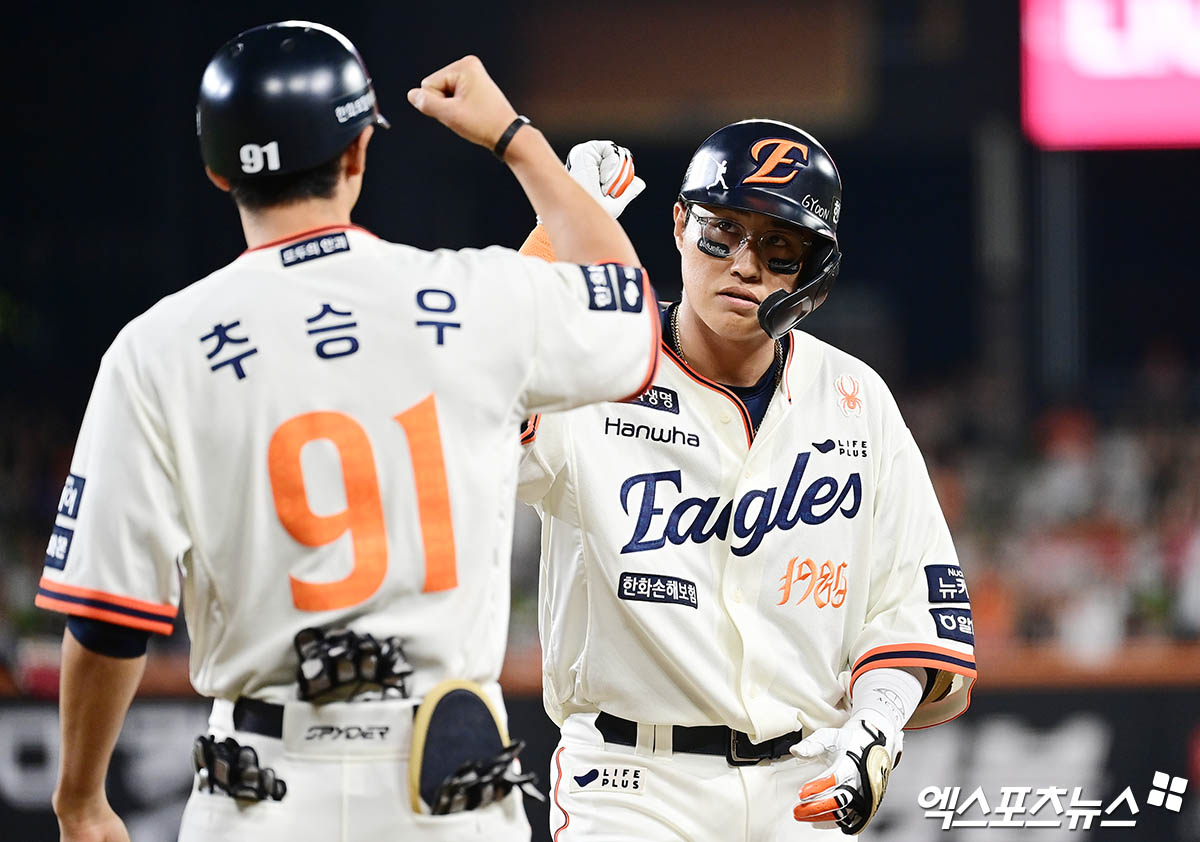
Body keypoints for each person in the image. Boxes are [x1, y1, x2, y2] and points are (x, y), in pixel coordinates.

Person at [37, 21, 660, 842]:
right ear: (359, 151)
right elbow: (629, 316)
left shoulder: (157, 348)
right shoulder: (479, 296)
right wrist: (515, 138)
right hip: (447, 796)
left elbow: (109, 617)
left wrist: (81, 800)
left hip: (259, 794)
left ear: (218, 170)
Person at [517, 122, 977, 839]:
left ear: (813, 272)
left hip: (803, 779)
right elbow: (471, 412)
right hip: (632, 781)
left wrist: (876, 724)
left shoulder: (855, 398)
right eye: (721, 233)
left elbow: (908, 606)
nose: (744, 264)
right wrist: (554, 238)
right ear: (678, 225)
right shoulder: (595, 368)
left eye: (778, 247)